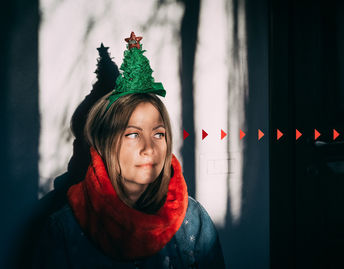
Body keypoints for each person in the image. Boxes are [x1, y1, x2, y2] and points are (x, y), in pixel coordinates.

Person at [33, 32, 225, 268]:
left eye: (159, 134)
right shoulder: (65, 228)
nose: (149, 148)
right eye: (133, 134)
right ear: (105, 143)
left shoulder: (192, 219)